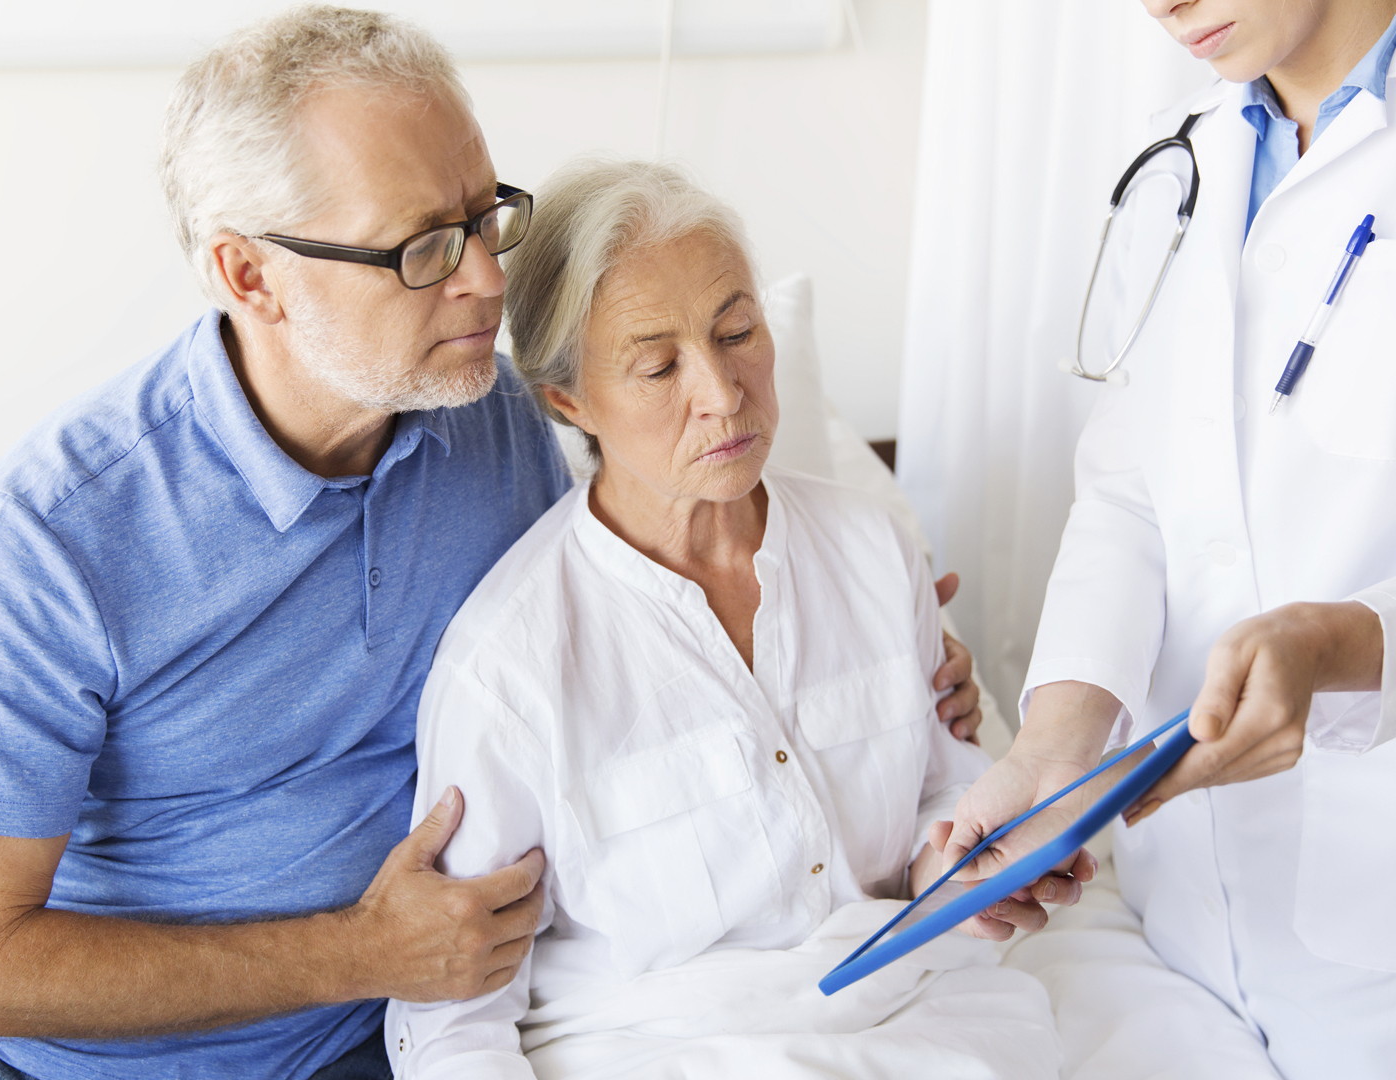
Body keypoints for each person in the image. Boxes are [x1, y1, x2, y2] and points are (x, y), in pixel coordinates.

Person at [0, 8, 572, 1079]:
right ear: (251, 278)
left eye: (485, 218)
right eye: (424, 246)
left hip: (412, 1033)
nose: (485, 279)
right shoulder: (52, 540)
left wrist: (870, 653)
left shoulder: (491, 417)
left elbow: (610, 630)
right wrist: (365, 952)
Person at [383, 159, 1084, 1080]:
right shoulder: (507, 665)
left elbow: (940, 799)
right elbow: (454, 1020)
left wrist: (967, 866)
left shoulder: (875, 550)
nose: (722, 391)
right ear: (569, 401)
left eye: (737, 331)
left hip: (928, 1017)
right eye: (659, 364)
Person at [941, 2, 1396, 1077]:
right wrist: (1055, 746)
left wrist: (1341, 646)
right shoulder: (1192, 151)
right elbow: (1131, 490)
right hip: (1186, 927)